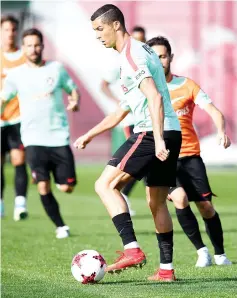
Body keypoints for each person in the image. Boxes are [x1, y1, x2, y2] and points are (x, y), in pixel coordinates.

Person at [74, 4, 181, 281]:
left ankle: (132, 249)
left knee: (104, 184)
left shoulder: (132, 58)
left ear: (116, 25)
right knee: (156, 202)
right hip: (172, 131)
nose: (98, 36)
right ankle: (166, 271)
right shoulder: (141, 50)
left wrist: (156, 139)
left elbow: (155, 97)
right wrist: (90, 134)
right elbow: (124, 109)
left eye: (100, 29)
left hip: (150, 132)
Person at [146, 36, 232, 267]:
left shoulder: (187, 85)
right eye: (154, 57)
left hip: (190, 156)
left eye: (163, 56)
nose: (159, 61)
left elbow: (214, 111)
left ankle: (221, 254)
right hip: (164, 158)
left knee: (205, 206)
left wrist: (221, 130)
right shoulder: (146, 88)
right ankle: (201, 251)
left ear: (171, 58)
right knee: (180, 199)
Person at [0, 28, 79, 239]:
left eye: (37, 45)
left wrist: (75, 100)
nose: (33, 49)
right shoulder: (15, 75)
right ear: (23, 48)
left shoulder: (57, 69)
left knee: (66, 187)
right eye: (29, 45)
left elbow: (72, 89)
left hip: (59, 137)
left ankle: (58, 179)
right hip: (33, 138)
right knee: (43, 186)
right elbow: (4, 98)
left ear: (42, 46)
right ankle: (61, 226)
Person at [100, 26, 147, 215]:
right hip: (131, 119)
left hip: (147, 117)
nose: (139, 43)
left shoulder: (147, 59)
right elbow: (103, 85)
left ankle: (123, 192)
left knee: (144, 162)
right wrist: (118, 102)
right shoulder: (120, 63)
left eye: (142, 39)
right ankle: (120, 192)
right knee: (139, 161)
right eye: (136, 39)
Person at [0, 15, 28, 220]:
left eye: (13, 30)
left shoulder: (24, 56)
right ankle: (0, 203)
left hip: (19, 118)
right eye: (6, 30)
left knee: (19, 161)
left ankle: (20, 204)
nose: (10, 34)